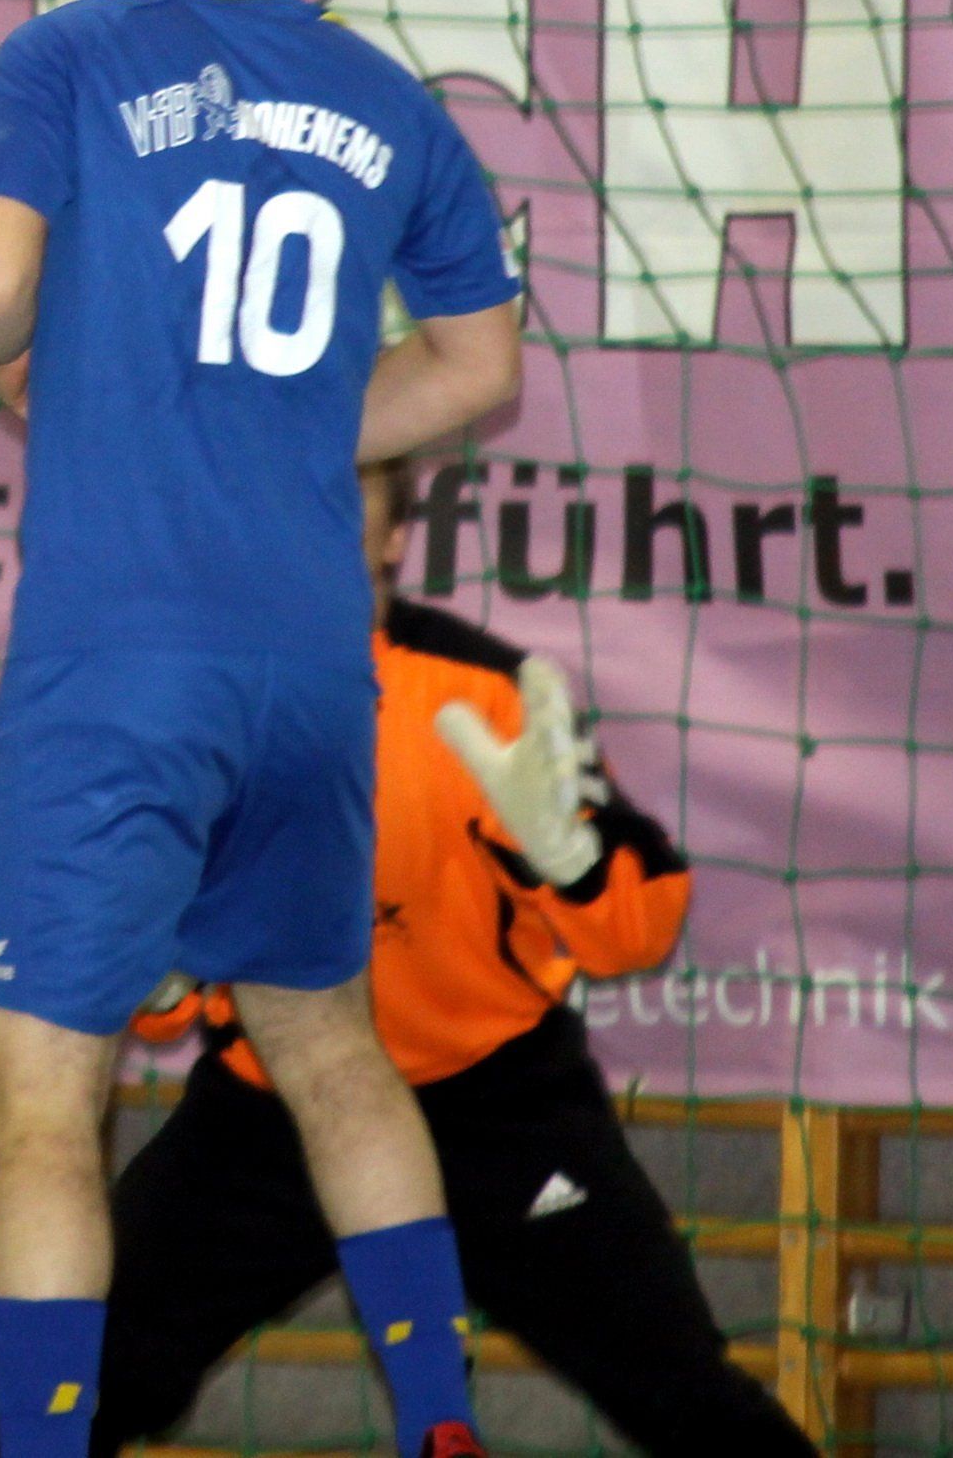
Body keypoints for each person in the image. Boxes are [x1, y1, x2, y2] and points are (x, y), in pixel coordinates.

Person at [0, 0, 525, 1458]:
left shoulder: (70, 54)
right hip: (310, 663)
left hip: (121, 657)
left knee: (42, 1099)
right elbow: (478, 366)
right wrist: (286, 427)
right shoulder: (388, 95)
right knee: (332, 1050)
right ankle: (438, 1424)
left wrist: (32, 353)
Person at [96, 455, 818, 1458]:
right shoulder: (186, 704)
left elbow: (637, 930)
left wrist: (566, 862)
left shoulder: (480, 694)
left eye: (339, 498)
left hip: (496, 1108)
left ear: (395, 533)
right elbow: (161, 1002)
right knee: (74, 1386)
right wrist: (155, 970)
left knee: (687, 1399)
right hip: (271, 1111)